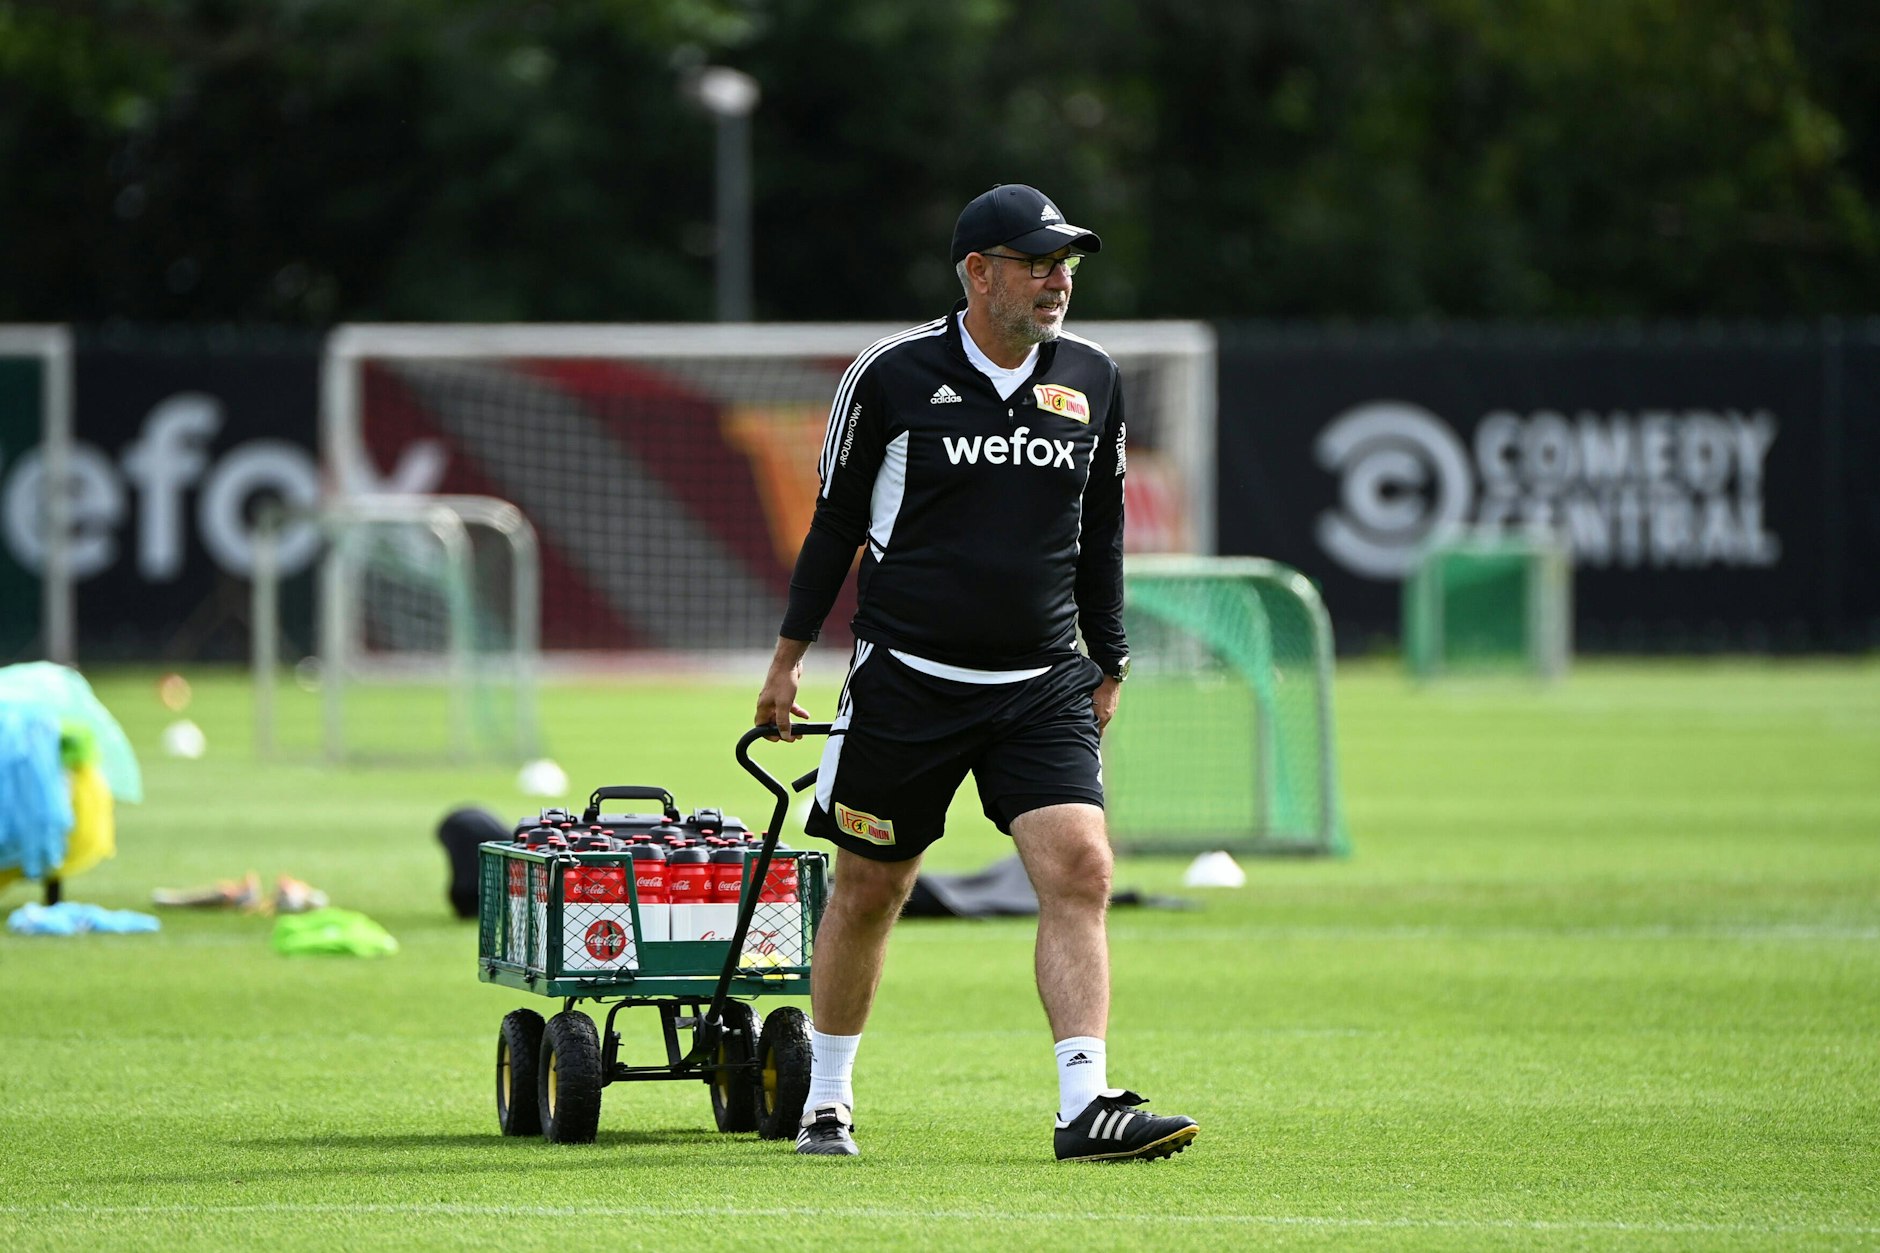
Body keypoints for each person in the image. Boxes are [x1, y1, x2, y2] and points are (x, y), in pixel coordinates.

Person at [753, 184, 1199, 1163]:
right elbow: (833, 520)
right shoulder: (891, 373)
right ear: (977, 272)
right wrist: (786, 660)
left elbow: (1104, 530)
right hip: (905, 678)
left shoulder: (1091, 375)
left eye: (1065, 264)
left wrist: (1107, 654)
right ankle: (825, 1097)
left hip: (1040, 682)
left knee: (1080, 865)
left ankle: (1083, 1102)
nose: (1056, 279)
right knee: (871, 886)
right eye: (1036, 262)